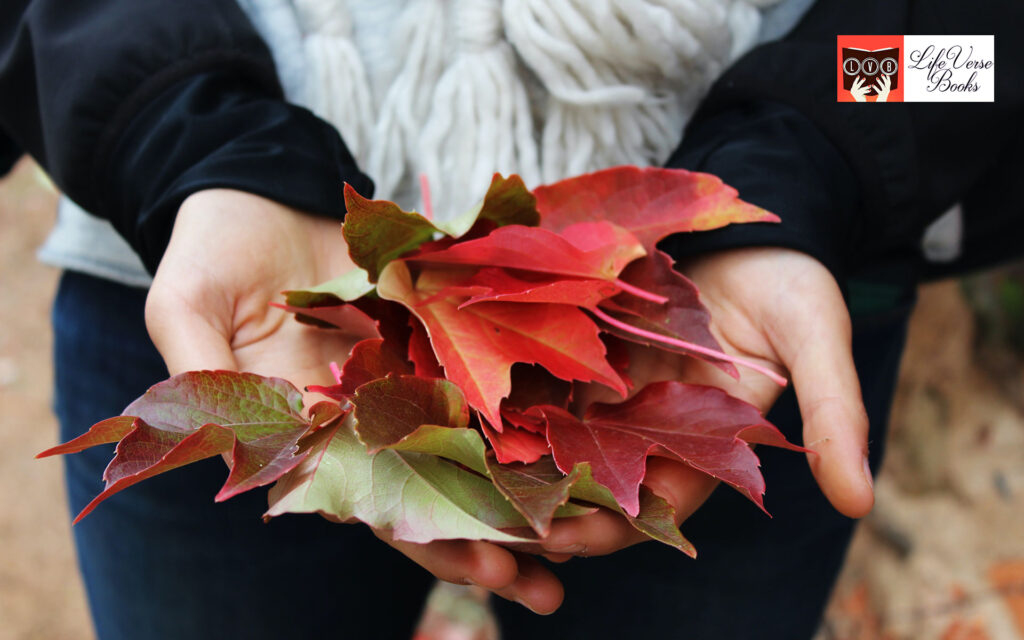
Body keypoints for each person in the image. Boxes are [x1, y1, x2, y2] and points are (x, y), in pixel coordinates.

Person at [2, 0, 1022, 638]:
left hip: (732, 320)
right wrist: (171, 124)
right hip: (214, 269)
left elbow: (974, 39)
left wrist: (831, 139)